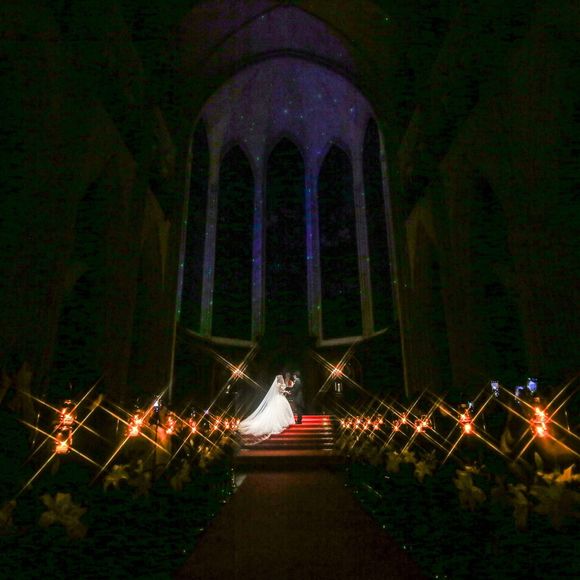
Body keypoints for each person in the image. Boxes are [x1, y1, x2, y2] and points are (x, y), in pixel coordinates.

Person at [238, 374, 295, 444]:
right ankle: (279, 423)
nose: (282, 379)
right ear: (280, 379)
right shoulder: (279, 384)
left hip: (278, 398)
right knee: (278, 411)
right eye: (282, 378)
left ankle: (281, 422)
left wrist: (285, 391)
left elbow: (280, 390)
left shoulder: (278, 384)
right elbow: (280, 391)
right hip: (279, 398)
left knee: (278, 411)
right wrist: (286, 392)